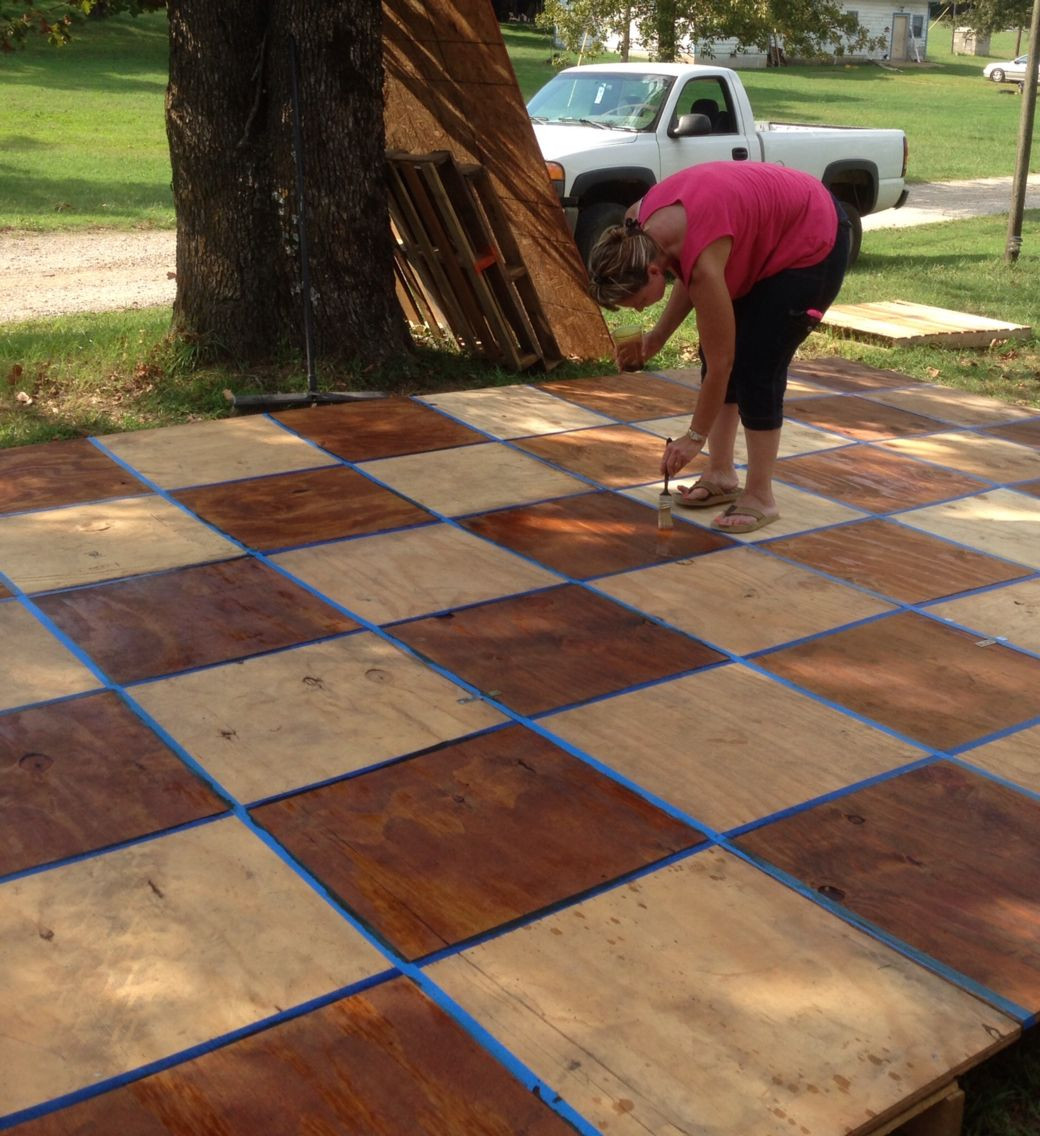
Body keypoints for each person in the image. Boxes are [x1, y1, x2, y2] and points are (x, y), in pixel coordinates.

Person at [588, 162, 851, 533]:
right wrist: (655, 340)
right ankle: (721, 474)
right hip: (757, 235)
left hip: (810, 236)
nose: (638, 309)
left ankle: (761, 496)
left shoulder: (701, 257)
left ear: (650, 272)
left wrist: (692, 437)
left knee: (756, 364)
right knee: (718, 350)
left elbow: (721, 361)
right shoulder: (639, 225)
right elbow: (685, 274)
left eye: (635, 302)